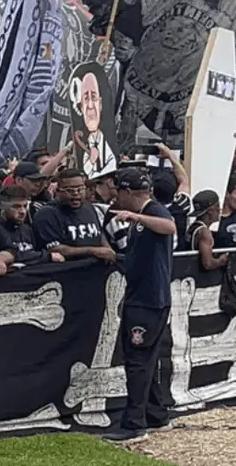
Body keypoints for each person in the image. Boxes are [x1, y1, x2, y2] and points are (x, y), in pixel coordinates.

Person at [102, 168, 176, 443]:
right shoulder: (147, 215)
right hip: (145, 297)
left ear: (128, 193)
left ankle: (134, 423)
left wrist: (135, 217)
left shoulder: (154, 211)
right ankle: (156, 414)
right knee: (147, 358)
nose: (116, 198)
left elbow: (170, 227)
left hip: (148, 300)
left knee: (137, 361)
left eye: (119, 192)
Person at [33, 169, 117, 263]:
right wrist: (93, 251)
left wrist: (107, 249)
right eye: (69, 190)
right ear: (58, 191)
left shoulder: (88, 207)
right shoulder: (47, 214)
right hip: (66, 270)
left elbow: (99, 233)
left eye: (80, 189)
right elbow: (55, 249)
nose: (76, 193)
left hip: (94, 268)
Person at [0, 185, 63, 266]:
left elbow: (35, 252)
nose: (23, 211)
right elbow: (12, 256)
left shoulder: (27, 229)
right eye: (16, 206)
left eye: (25, 206)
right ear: (3, 207)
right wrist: (46, 256)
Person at [187, 190, 228, 271]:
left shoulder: (193, 227)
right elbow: (207, 264)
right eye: (218, 206)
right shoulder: (204, 233)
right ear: (210, 210)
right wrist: (221, 261)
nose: (220, 209)